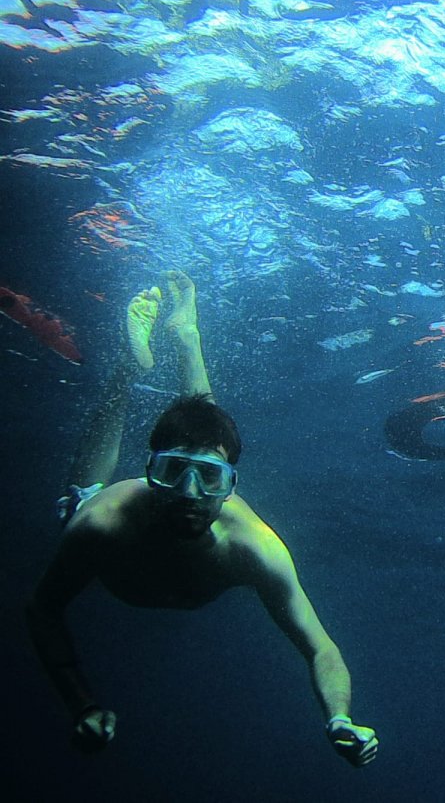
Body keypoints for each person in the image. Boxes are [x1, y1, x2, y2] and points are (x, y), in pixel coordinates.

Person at [26, 273, 378, 767]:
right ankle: (129, 369)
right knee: (85, 495)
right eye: (172, 473)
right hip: (109, 511)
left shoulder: (254, 546)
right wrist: (78, 703)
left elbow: (322, 649)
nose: (189, 495)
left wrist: (339, 717)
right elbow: (41, 609)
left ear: (231, 484)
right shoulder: (102, 523)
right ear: (151, 472)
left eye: (210, 479)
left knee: (202, 432)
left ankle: (185, 338)